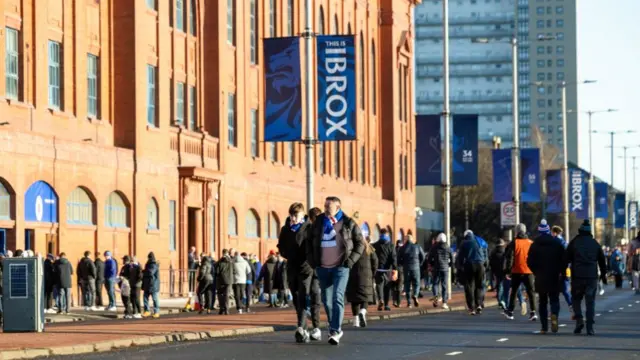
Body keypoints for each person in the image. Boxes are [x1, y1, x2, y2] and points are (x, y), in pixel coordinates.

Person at [309, 196, 364, 345]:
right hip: (323, 267)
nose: (326, 209)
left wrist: (350, 261)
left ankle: (335, 330)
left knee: (337, 297)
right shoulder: (319, 221)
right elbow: (309, 241)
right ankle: (334, 325)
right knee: (327, 301)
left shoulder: (348, 223)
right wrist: (313, 261)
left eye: (329, 207)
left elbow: (360, 243)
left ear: (338, 208)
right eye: (325, 205)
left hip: (341, 267)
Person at [277, 202, 321, 343]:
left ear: (302, 214)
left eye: (295, 215)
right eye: (291, 215)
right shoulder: (286, 229)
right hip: (292, 266)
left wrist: (311, 260)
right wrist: (286, 253)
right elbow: (281, 245)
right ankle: (304, 326)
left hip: (306, 267)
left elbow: (315, 246)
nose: (293, 219)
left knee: (304, 295)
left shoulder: (309, 228)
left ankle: (302, 328)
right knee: (295, 297)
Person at [565, 220, 607, 335]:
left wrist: (563, 273)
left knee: (576, 299)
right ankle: (590, 327)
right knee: (590, 302)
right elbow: (602, 261)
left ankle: (579, 320)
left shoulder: (574, 242)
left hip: (578, 276)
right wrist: (603, 275)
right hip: (591, 277)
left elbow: (566, 259)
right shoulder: (595, 244)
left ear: (580, 231)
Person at [527, 220, 566, 334]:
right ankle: (554, 314)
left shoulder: (534, 245)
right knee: (554, 299)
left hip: (540, 276)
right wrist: (561, 272)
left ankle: (544, 327)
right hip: (554, 275)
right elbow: (564, 259)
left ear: (539, 231)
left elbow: (529, 261)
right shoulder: (557, 243)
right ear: (549, 231)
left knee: (542, 302)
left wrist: (535, 272)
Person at [503, 223, 537, 321]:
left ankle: (510, 312)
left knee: (514, 291)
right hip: (529, 270)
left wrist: (508, 271)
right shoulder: (531, 243)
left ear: (516, 232)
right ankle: (533, 312)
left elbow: (510, 257)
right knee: (531, 291)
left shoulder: (514, 243)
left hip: (517, 270)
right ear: (525, 231)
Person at [346, 234, 377, 328]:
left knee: (354, 298)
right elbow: (375, 261)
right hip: (366, 275)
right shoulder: (369, 247)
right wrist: (373, 273)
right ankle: (363, 312)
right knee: (365, 297)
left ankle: (355, 322)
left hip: (353, 275)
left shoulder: (351, 247)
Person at [457, 230, 486, 315]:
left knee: (469, 286)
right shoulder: (480, 240)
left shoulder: (464, 243)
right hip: (480, 265)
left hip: (469, 265)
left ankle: (471, 308)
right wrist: (485, 264)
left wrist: (460, 267)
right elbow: (485, 252)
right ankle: (479, 304)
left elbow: (460, 257)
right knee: (479, 285)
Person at [398, 234, 425, 308]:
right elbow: (423, 256)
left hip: (406, 268)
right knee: (417, 283)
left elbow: (398, 259)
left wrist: (402, 264)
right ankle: (415, 295)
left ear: (405, 240)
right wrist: (419, 264)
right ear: (412, 240)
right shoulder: (417, 246)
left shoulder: (402, 248)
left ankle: (409, 303)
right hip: (416, 267)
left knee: (407, 285)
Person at [373, 229, 397, 311]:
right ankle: (386, 305)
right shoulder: (391, 245)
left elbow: (372, 258)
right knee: (387, 287)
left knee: (379, 286)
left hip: (378, 269)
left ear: (380, 234)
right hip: (387, 270)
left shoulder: (374, 245)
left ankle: (380, 299)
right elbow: (393, 258)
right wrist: (395, 269)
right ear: (387, 235)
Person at [552, 226, 573, 315]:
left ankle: (554, 313)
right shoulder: (565, 242)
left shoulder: (556, 242)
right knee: (565, 291)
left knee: (555, 292)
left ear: (555, 233)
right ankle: (573, 308)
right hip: (566, 270)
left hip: (559, 270)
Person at [429, 233, 453, 310]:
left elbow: (429, 258)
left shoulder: (434, 247)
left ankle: (436, 296)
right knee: (444, 286)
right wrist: (449, 265)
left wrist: (433, 264)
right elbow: (452, 258)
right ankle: (444, 303)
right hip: (445, 269)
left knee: (435, 284)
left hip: (436, 268)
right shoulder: (448, 247)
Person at [215, 249, 234, 315]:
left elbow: (217, 271)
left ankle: (221, 309)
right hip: (229, 280)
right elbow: (233, 270)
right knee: (226, 295)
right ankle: (227, 309)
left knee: (220, 294)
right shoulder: (231, 261)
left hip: (221, 280)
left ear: (222, 253)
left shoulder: (220, 262)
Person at [142, 252, 160, 318]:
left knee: (155, 299)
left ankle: (156, 312)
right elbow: (148, 272)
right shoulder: (148, 264)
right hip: (147, 284)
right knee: (145, 298)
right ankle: (147, 311)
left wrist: (143, 272)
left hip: (153, 285)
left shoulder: (154, 264)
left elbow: (150, 272)